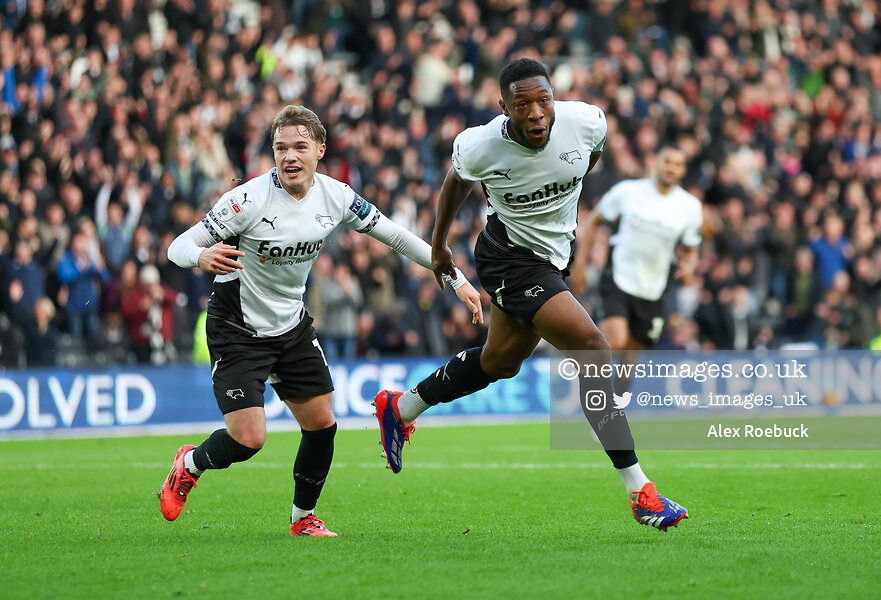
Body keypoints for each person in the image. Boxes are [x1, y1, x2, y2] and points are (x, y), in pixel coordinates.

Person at [375, 59, 687, 531]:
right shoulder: (480, 145)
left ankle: (400, 407)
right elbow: (456, 181)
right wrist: (438, 246)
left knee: (499, 362)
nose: (537, 113)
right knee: (594, 347)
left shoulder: (587, 122)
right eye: (523, 105)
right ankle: (640, 491)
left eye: (544, 100)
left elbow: (590, 157)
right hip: (509, 258)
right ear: (505, 109)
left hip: (555, 256)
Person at [160, 105, 482, 537]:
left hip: (291, 327)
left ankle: (302, 519)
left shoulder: (337, 196)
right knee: (248, 440)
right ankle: (190, 464)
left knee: (322, 425)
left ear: (320, 150)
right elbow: (178, 246)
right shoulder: (246, 200)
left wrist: (455, 277)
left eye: (299, 147)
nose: (289, 157)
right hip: (237, 329)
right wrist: (201, 255)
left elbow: (397, 236)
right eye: (280, 148)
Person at [571, 146, 702, 352]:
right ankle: (590, 381)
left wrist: (689, 267)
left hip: (653, 289)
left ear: (683, 171)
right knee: (615, 341)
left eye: (677, 164)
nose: (670, 167)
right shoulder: (629, 191)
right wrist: (580, 263)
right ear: (656, 163)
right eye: (667, 161)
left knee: (631, 357)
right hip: (618, 278)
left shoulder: (690, 207)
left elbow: (691, 247)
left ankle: (609, 384)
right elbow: (595, 219)